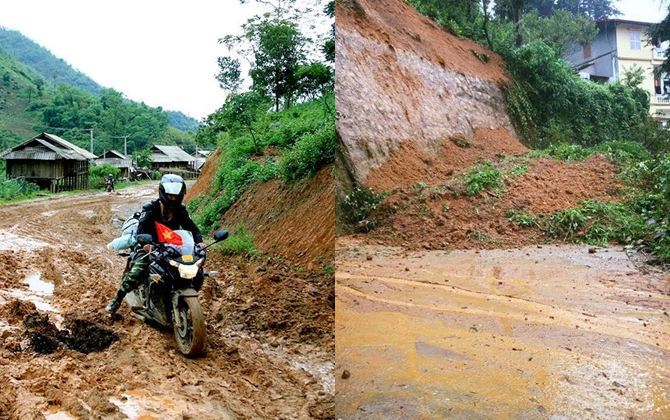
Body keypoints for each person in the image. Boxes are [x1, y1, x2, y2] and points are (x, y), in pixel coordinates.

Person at [106, 174, 205, 313]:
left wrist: (199, 242)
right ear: (163, 193)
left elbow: (192, 228)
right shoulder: (150, 209)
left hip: (172, 246)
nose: (173, 198)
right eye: (170, 195)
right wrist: (146, 244)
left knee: (196, 269)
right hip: (149, 245)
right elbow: (141, 230)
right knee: (138, 270)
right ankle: (117, 299)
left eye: (176, 196)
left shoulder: (180, 210)